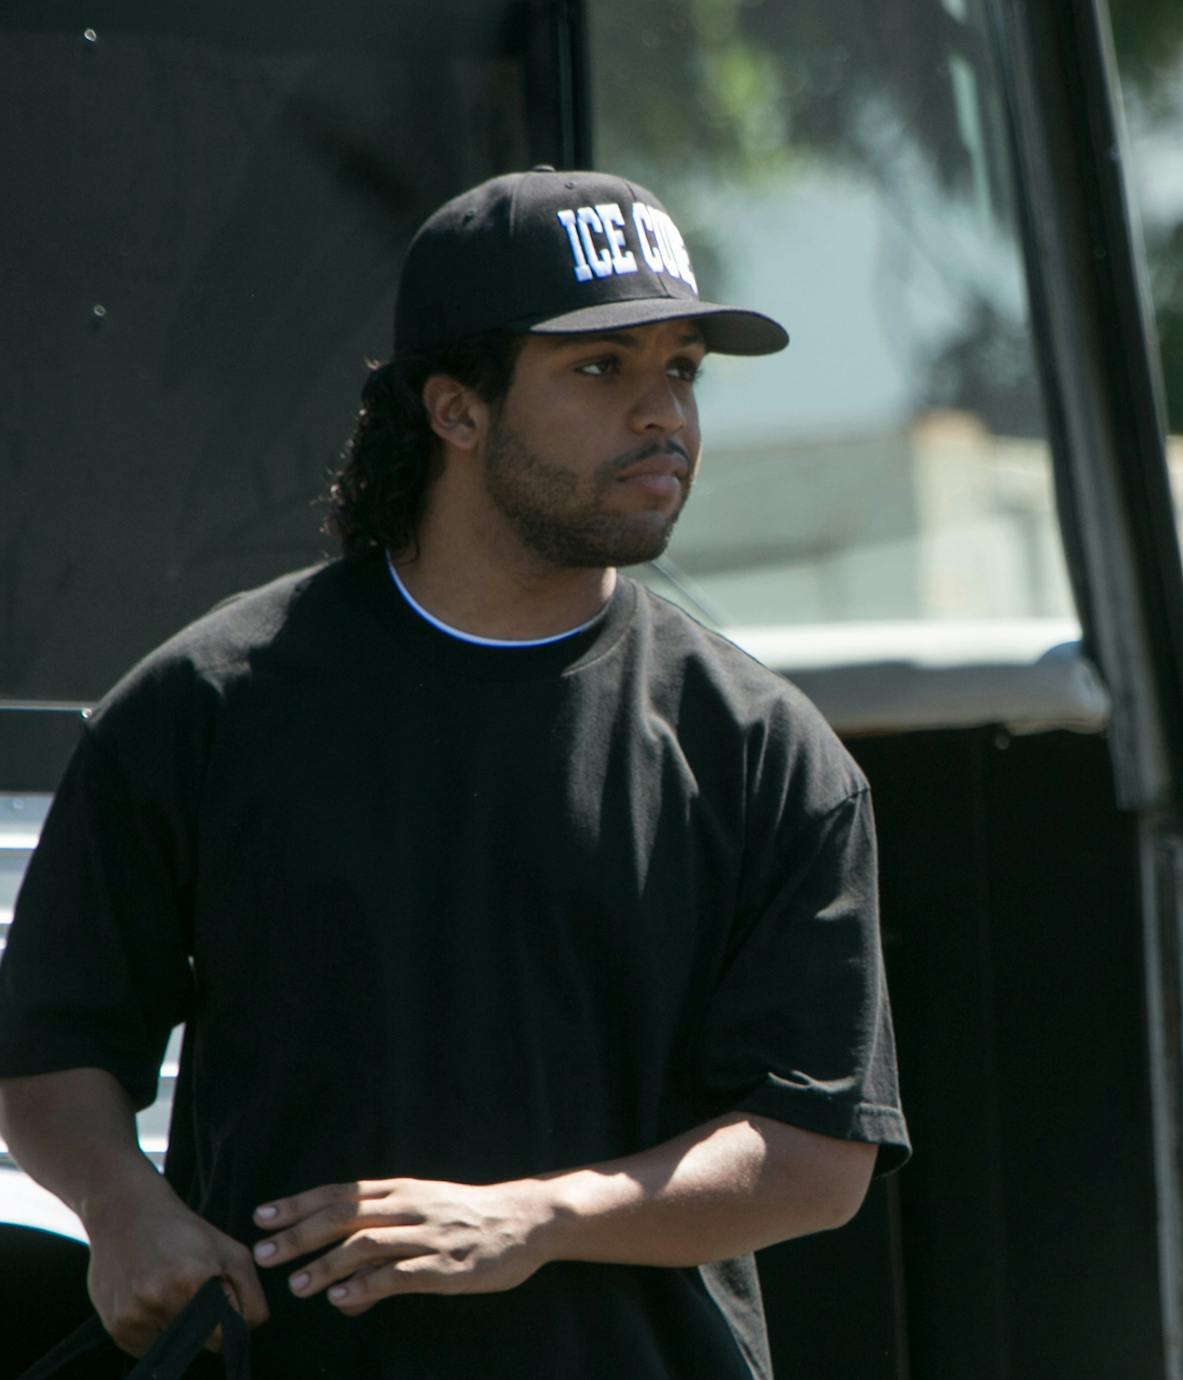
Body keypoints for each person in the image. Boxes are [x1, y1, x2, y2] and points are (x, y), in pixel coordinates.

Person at [0, 168, 907, 1377]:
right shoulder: (208, 704)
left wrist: (540, 1218)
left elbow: (815, 1155)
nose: (664, 416)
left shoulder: (765, 751)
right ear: (455, 409)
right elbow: (52, 1043)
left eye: (681, 368)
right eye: (602, 368)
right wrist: (124, 1213)